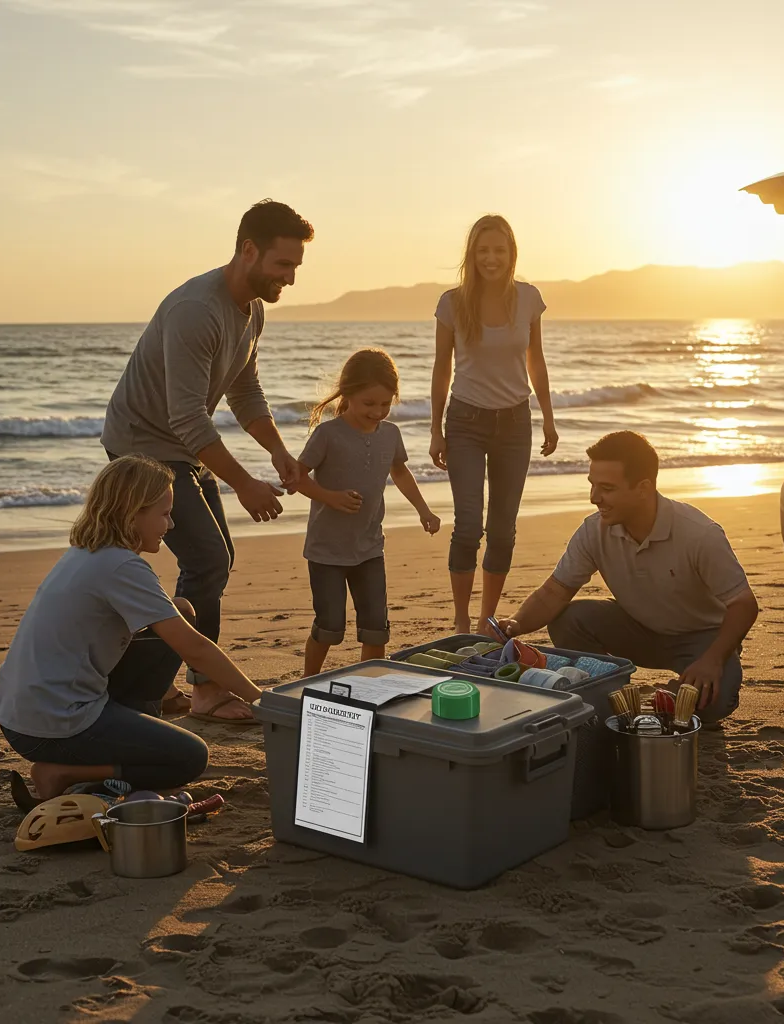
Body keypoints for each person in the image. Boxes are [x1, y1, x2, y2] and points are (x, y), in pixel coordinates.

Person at [101, 200, 314, 723]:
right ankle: (201, 690)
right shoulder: (196, 310)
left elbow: (244, 391)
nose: (289, 277)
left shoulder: (252, 310)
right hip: (142, 447)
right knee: (208, 561)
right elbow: (187, 419)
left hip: (179, 446)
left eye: (295, 267)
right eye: (283, 265)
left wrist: (279, 452)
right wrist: (244, 483)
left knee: (213, 561)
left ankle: (169, 681)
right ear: (248, 250)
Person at [0, 456, 264, 801]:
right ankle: (62, 771)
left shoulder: (87, 552)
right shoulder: (121, 566)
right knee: (189, 757)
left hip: (20, 713)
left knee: (179, 610)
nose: (172, 524)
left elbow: (173, 628)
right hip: (52, 726)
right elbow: (195, 649)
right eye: (164, 514)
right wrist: (262, 700)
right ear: (132, 512)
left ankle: (134, 726)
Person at [496, 431, 759, 723]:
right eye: (592, 485)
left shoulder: (700, 533)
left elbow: (744, 604)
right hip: (636, 629)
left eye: (607, 488)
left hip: (700, 638)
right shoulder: (594, 530)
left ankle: (675, 693)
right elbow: (555, 591)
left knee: (717, 703)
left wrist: (713, 659)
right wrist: (514, 625)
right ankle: (607, 693)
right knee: (569, 618)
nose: (594, 497)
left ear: (643, 488)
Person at [430, 214, 558, 636]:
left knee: (502, 528)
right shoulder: (452, 302)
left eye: (499, 250)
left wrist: (548, 418)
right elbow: (441, 368)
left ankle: (487, 616)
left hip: (515, 423)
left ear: (511, 253)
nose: (491, 258)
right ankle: (462, 617)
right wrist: (436, 429)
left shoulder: (529, 298)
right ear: (472, 254)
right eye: (483, 250)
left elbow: (535, 361)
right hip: (465, 420)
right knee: (468, 523)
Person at [296, 349, 441, 677]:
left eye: (385, 404)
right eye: (369, 404)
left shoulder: (390, 434)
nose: (377, 412)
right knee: (330, 626)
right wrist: (328, 497)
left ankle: (369, 684)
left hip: (370, 548)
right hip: (327, 551)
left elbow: (400, 472)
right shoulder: (328, 435)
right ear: (347, 394)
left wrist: (424, 509)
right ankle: (309, 680)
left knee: (376, 626)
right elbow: (296, 478)